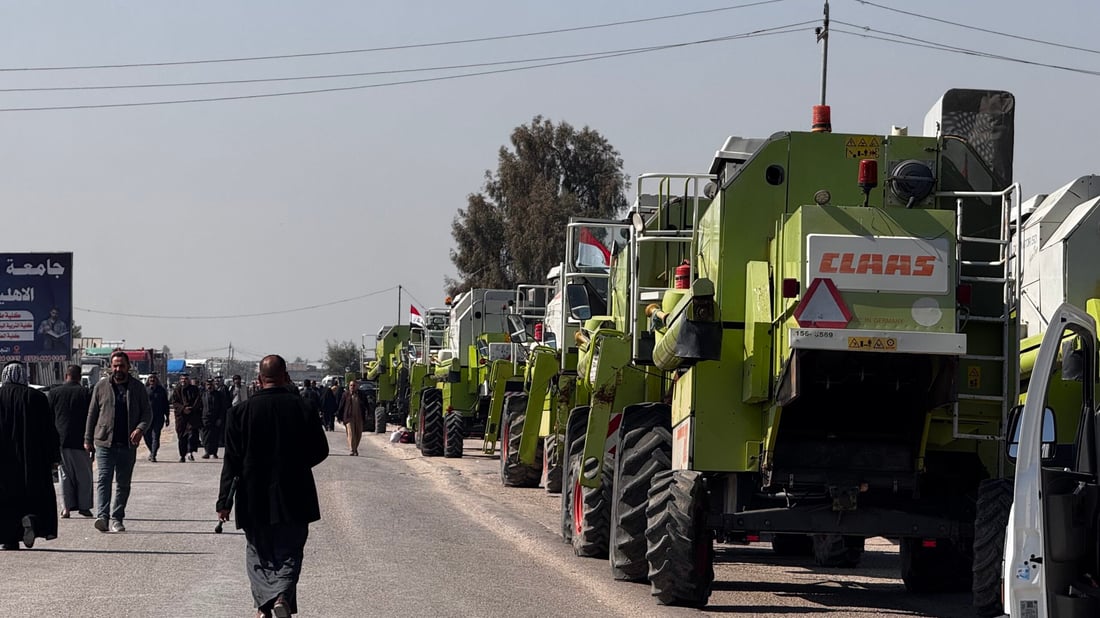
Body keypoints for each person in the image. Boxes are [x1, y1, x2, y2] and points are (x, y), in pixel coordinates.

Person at [217, 355, 327, 618]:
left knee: (258, 554)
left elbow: (231, 462)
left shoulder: (239, 413)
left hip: (253, 496)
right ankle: (279, 598)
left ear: (258, 379)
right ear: (286, 377)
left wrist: (224, 502)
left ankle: (265, 607)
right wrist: (298, 465)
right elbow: (320, 450)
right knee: (289, 552)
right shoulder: (304, 408)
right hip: (295, 494)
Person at [85, 350, 152, 533]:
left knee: (123, 483)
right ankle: (103, 517)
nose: (118, 369)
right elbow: (92, 414)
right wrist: (88, 439)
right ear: (110, 367)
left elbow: (147, 413)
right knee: (104, 479)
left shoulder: (137, 388)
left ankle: (117, 518)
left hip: (127, 445)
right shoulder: (101, 387)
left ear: (128, 367)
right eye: (115, 365)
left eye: (121, 365)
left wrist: (140, 429)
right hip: (104, 443)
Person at [0, 361, 60, 549]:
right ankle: (31, 519)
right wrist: (53, 457)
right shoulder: (37, 397)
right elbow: (49, 431)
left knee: (5, 498)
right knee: (33, 494)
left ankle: (9, 539)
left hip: (3, 460)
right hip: (32, 458)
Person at [48, 365, 94, 518]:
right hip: (81, 440)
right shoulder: (85, 393)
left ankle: (66, 508)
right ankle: (84, 507)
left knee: (64, 475)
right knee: (84, 476)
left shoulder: (54, 393)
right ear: (79, 377)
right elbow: (92, 417)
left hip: (60, 440)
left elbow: (49, 418)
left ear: (66, 375)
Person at [170, 374, 202, 462]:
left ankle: (190, 452)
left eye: (186, 379)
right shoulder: (177, 390)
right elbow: (174, 402)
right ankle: (182, 455)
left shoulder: (194, 389)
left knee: (192, 434)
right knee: (182, 437)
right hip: (181, 417)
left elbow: (198, 400)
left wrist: (191, 409)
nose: (184, 381)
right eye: (182, 379)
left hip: (192, 416)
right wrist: (183, 409)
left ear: (189, 380)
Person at [144, 373, 170, 462]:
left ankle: (153, 454)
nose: (152, 380)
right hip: (147, 417)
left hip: (158, 417)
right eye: (150, 378)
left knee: (156, 436)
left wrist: (167, 416)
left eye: (154, 378)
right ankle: (152, 451)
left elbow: (166, 404)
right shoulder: (144, 390)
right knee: (146, 436)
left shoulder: (161, 390)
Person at [200, 378, 228, 459]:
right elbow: (200, 406)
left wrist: (220, 418)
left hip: (216, 418)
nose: (209, 386)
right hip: (205, 418)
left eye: (211, 385)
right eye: (208, 385)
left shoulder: (219, 395)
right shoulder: (203, 394)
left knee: (215, 436)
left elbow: (223, 407)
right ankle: (207, 452)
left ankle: (214, 452)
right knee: (205, 437)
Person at [339, 380, 366, 456]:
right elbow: (341, 405)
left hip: (359, 417)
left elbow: (366, 405)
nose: (352, 387)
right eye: (351, 385)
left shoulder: (361, 395)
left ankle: (355, 448)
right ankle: (351, 449)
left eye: (354, 385)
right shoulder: (345, 395)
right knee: (351, 433)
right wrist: (339, 415)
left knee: (358, 434)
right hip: (349, 417)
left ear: (357, 386)